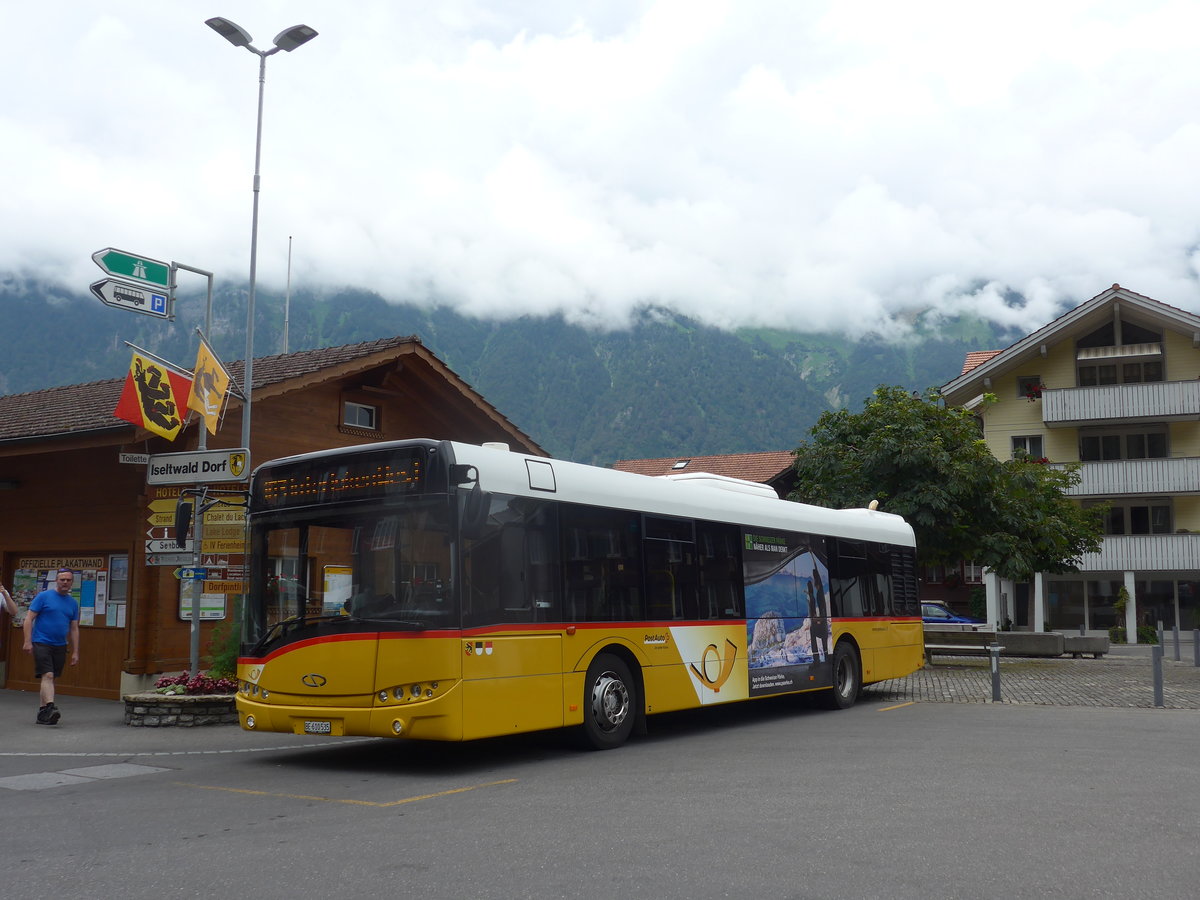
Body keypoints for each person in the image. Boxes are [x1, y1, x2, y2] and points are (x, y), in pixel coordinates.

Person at [22, 568, 80, 725]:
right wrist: (27, 641)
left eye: (68, 580)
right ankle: (51, 707)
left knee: (49, 678)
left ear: (72, 583)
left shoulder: (73, 603)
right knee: (48, 675)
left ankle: (43, 714)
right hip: (41, 642)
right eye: (62, 580)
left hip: (60, 645)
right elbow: (28, 619)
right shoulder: (44, 597)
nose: (65, 582)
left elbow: (74, 628)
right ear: (57, 581)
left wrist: (75, 651)